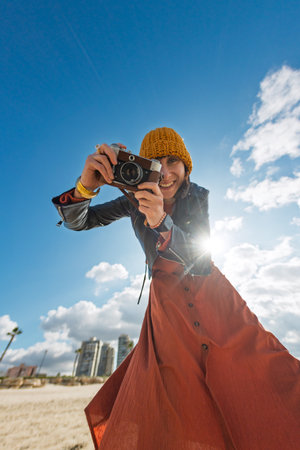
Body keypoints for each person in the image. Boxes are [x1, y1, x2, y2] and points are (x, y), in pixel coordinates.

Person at [53, 127, 300, 450]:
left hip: (210, 292)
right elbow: (79, 221)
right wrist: (86, 187)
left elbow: (200, 261)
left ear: (186, 167)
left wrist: (160, 221)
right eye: (155, 162)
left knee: (258, 366)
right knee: (173, 395)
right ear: (142, 166)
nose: (166, 173)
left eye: (174, 162)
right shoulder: (132, 199)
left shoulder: (198, 195)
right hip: (166, 303)